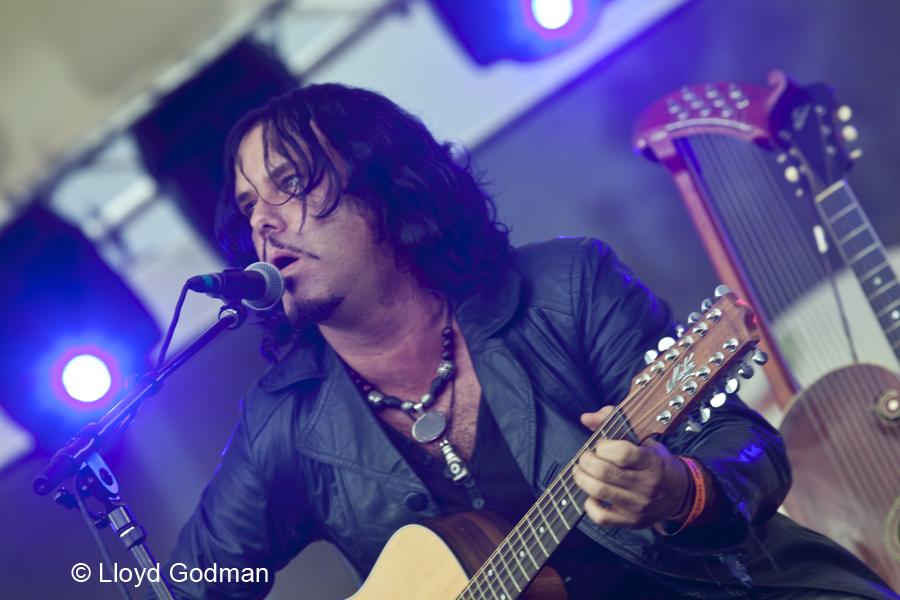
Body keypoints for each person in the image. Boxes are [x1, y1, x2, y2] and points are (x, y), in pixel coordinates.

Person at [150, 83, 898, 600]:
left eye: (290, 183)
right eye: (249, 205)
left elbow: (745, 444)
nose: (264, 222)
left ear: (383, 185)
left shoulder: (566, 290)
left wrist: (680, 487)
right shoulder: (284, 421)